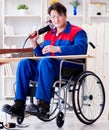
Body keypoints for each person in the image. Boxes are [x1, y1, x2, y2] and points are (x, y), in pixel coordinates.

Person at [2, 2, 87, 119]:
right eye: (53, 17)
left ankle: (43, 105)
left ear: (65, 15)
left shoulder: (78, 31)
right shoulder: (49, 34)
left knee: (45, 62)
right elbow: (41, 54)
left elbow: (81, 49)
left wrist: (58, 48)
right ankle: (19, 105)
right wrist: (34, 42)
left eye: (59, 16)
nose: (56, 19)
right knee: (24, 63)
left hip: (67, 68)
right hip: (47, 68)